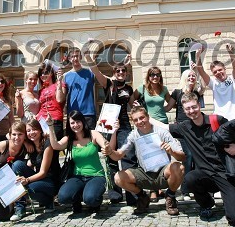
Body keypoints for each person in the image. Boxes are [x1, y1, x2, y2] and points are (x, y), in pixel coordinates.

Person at [166, 93, 235, 226]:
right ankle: (207, 204)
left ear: (199, 105)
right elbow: (162, 127)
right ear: (184, 111)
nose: (192, 111)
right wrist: (145, 118)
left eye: (194, 107)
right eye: (188, 109)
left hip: (227, 174)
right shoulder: (184, 127)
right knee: (190, 179)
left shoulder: (217, 120)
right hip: (206, 175)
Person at [105, 106, 184, 215]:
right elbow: (118, 155)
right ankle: (142, 197)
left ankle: (170, 197)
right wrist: (110, 152)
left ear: (148, 117)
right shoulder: (133, 135)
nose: (139, 122)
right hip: (144, 174)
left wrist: (171, 151)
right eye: (135, 120)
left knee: (178, 167)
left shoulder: (162, 132)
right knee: (118, 177)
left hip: (163, 173)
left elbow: (181, 157)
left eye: (142, 118)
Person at [84, 53, 137, 205]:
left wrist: (137, 106)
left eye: (123, 71)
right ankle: (115, 194)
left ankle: (132, 193)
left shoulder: (128, 88)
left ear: (126, 73)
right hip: (108, 124)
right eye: (118, 71)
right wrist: (89, 59)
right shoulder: (109, 84)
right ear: (114, 73)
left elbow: (132, 104)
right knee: (110, 158)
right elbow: (96, 72)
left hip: (124, 124)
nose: (121, 73)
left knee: (128, 156)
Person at [47, 110, 109, 213]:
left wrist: (106, 146)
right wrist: (50, 125)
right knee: (63, 197)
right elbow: (55, 146)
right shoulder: (69, 139)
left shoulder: (93, 134)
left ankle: (95, 200)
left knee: (90, 199)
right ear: (69, 124)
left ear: (83, 121)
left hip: (96, 175)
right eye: (72, 123)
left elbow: (104, 145)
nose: (75, 125)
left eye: (78, 121)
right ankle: (77, 200)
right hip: (77, 177)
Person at [165, 68, 205, 200]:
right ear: (184, 78)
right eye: (189, 76)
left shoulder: (196, 93)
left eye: (193, 76)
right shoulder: (177, 92)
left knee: (196, 156)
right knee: (187, 156)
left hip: (196, 128)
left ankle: (196, 186)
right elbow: (168, 107)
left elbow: (203, 85)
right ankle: (185, 189)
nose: (191, 78)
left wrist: (199, 61)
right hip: (182, 129)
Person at [133, 66, 171, 201]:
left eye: (157, 75)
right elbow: (132, 100)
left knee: (164, 154)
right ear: (148, 76)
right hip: (148, 124)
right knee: (151, 156)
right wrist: (138, 108)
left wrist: (164, 109)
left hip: (163, 124)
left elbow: (171, 101)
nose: (155, 77)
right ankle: (153, 190)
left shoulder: (164, 89)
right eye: (152, 75)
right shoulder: (142, 88)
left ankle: (163, 187)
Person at [12, 119, 61, 218]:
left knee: (30, 189)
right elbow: (8, 136)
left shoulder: (47, 144)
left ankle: (48, 201)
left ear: (40, 130)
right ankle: (20, 207)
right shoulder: (31, 145)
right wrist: (25, 142)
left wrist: (27, 180)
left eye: (34, 130)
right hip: (39, 178)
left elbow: (43, 172)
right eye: (28, 131)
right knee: (17, 164)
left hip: (50, 181)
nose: (31, 133)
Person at [194, 44, 235, 120]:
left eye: (220, 70)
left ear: (224, 68)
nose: (218, 73)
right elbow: (201, 71)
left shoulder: (233, 79)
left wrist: (231, 53)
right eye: (215, 72)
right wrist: (198, 56)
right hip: (220, 120)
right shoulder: (213, 83)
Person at [64, 47, 97, 130]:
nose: (75, 58)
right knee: (74, 142)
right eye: (73, 56)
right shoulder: (65, 76)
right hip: (73, 114)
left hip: (88, 114)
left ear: (81, 57)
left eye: (77, 56)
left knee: (90, 141)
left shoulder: (90, 73)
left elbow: (105, 80)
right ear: (69, 59)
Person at [35, 61, 67, 140]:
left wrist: (59, 82)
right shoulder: (41, 91)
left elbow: (59, 100)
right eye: (40, 74)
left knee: (52, 146)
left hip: (54, 120)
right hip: (41, 122)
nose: (43, 75)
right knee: (43, 147)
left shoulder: (59, 84)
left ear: (51, 73)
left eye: (45, 72)